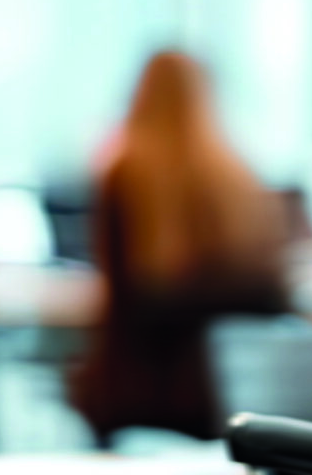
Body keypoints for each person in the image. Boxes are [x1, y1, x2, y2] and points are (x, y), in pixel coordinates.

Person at [68, 50, 289, 444]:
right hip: (228, 390)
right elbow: (275, 294)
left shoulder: (123, 174)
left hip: (137, 393)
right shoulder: (238, 177)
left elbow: (121, 295)